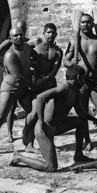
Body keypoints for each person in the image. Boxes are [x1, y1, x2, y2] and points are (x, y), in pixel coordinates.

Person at [9, 65, 97, 172]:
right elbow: (40, 97)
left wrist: (94, 119)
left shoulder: (75, 92)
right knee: (51, 167)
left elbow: (81, 113)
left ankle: (78, 155)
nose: (84, 82)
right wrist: (41, 121)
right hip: (44, 130)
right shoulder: (64, 88)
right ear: (78, 77)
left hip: (57, 127)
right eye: (83, 78)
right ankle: (19, 157)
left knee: (81, 122)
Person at [63, 14, 97, 150]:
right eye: (83, 22)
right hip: (80, 82)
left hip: (96, 81)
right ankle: (87, 141)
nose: (85, 25)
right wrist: (71, 63)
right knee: (83, 112)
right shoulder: (75, 41)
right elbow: (65, 61)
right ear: (79, 24)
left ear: (93, 24)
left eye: (88, 22)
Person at [0, 27, 34, 158]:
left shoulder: (27, 48)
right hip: (10, 88)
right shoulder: (10, 55)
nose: (18, 37)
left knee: (34, 113)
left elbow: (33, 58)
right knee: (0, 119)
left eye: (20, 35)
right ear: (10, 39)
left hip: (23, 88)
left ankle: (29, 143)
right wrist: (33, 84)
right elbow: (18, 77)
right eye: (15, 35)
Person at [0, 20, 40, 143]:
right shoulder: (9, 43)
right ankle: (9, 133)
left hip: (23, 82)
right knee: (9, 109)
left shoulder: (26, 43)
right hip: (11, 78)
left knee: (32, 111)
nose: (19, 35)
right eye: (17, 31)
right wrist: (3, 68)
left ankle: (27, 136)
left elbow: (31, 55)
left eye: (22, 30)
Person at [22, 23, 62, 152]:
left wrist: (45, 79)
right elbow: (23, 50)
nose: (50, 35)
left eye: (53, 32)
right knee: (34, 114)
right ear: (44, 33)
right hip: (36, 84)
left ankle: (49, 142)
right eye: (48, 32)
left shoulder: (57, 51)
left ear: (56, 34)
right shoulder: (36, 44)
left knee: (49, 116)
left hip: (49, 85)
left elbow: (55, 70)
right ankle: (28, 141)